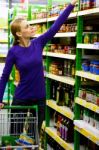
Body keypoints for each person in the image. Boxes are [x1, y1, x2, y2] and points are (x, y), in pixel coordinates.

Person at [0, 0, 77, 135]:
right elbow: (4, 76)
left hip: (39, 98)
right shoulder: (13, 52)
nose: (31, 28)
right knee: (15, 136)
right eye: (27, 26)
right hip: (21, 99)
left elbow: (56, 26)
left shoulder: (38, 43)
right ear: (19, 33)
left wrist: (71, 5)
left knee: (33, 137)